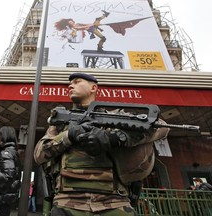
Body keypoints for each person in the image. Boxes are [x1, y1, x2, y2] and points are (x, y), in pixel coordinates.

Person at [34, 72, 170, 216]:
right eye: (70, 83)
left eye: (77, 81)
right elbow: (39, 155)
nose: (70, 85)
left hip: (114, 202)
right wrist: (69, 135)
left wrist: (113, 137)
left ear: (93, 88)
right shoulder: (60, 122)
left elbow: (162, 127)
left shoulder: (116, 116)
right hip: (67, 203)